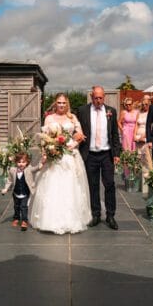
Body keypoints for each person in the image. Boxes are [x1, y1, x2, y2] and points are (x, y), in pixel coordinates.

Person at [30, 93, 92, 234]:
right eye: (59, 102)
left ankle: (70, 220)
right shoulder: (49, 118)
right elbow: (44, 139)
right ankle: (50, 220)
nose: (61, 105)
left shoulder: (72, 117)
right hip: (54, 156)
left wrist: (74, 144)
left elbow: (81, 135)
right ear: (55, 103)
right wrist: (48, 151)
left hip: (69, 156)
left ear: (67, 104)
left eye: (64, 103)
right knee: (53, 185)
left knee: (69, 185)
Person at [77, 86, 122, 230]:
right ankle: (96, 214)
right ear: (91, 97)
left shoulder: (111, 111)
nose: (98, 100)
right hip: (89, 154)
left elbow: (115, 134)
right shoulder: (83, 111)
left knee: (109, 184)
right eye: (95, 98)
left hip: (106, 154)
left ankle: (110, 215)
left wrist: (116, 154)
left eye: (100, 98)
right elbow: (75, 128)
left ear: (104, 97)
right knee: (93, 185)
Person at [0, 151, 39, 231]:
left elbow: (36, 168)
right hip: (16, 192)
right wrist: (6, 188)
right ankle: (16, 218)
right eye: (19, 162)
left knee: (23, 206)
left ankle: (24, 220)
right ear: (16, 162)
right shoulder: (12, 170)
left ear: (27, 162)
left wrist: (42, 162)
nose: (21, 164)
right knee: (16, 206)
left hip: (25, 192)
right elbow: (10, 180)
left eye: (23, 162)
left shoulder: (29, 169)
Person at [133, 95, 153, 179]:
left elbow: (151, 126)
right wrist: (134, 136)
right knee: (139, 156)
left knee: (147, 157)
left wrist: (144, 136)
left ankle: (148, 175)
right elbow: (136, 125)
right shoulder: (139, 113)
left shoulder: (151, 113)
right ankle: (139, 176)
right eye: (143, 104)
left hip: (146, 136)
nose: (144, 106)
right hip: (138, 136)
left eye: (146, 104)